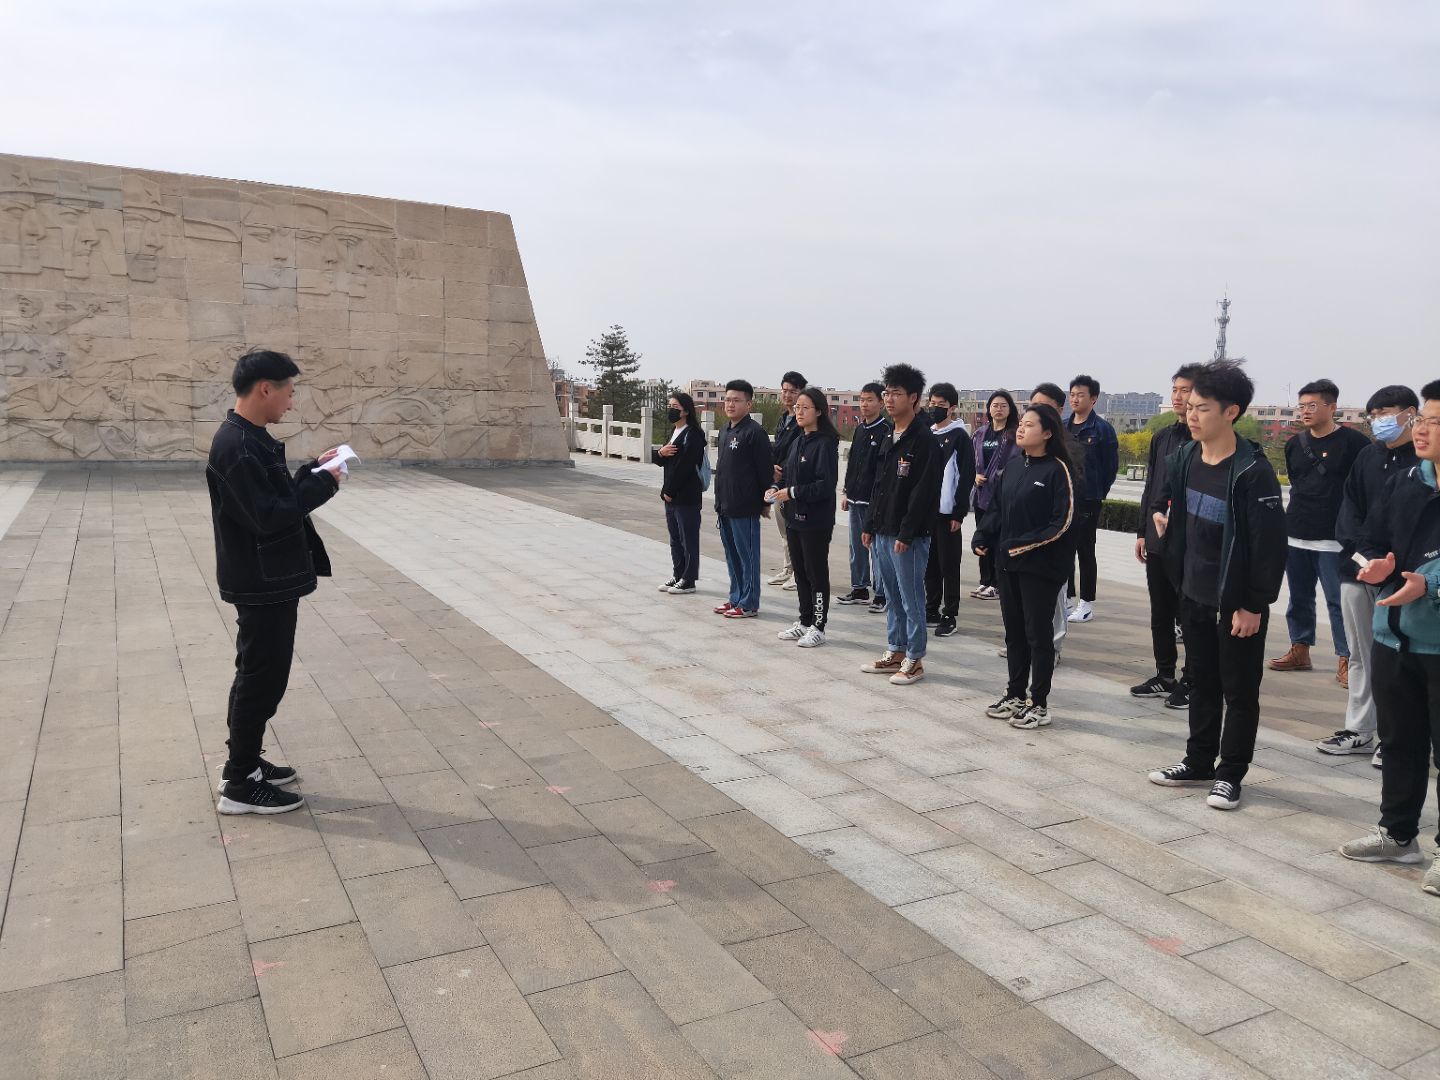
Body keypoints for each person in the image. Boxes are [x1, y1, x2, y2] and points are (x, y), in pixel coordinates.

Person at [207, 348, 343, 815]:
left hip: (266, 577)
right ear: (266, 388)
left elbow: (271, 497)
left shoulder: (249, 438)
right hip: (262, 581)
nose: (291, 400)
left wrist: (312, 471)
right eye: (289, 391)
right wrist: (323, 486)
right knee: (262, 679)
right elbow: (268, 516)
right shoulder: (237, 446)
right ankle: (240, 784)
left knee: (257, 673)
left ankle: (243, 763)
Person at [1147, 359, 1287, 811]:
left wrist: (1253, 604)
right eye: (1189, 406)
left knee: (1239, 692)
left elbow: (1268, 547)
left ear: (1231, 412)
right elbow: (1176, 513)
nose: (1191, 415)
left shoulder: (1252, 471)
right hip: (1193, 593)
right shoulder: (1186, 458)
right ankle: (1198, 761)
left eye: (1202, 408)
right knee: (1202, 682)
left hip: (1236, 602)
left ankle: (1230, 775)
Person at [1340, 379, 1440, 898]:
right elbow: (1371, 537)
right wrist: (1375, 563)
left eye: (1434, 422)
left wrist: (1431, 584)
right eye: (1421, 419)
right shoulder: (1406, 482)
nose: (1421, 430)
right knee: (1400, 741)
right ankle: (1398, 834)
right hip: (1394, 636)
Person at [1318, 386, 1418, 762]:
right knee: (1361, 654)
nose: (1378, 421)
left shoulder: (1424, 462)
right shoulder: (1367, 457)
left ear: (1410, 413)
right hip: (1357, 570)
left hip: (1403, 576)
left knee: (1401, 657)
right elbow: (1349, 513)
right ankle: (1359, 728)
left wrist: (1390, 564)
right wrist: (1366, 559)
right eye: (1373, 415)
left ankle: (1398, 736)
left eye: (1385, 413)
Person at [974, 403, 1077, 729]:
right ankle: (1015, 694)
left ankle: (1039, 703)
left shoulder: (1058, 471)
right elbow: (997, 508)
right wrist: (983, 534)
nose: (1021, 428)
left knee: (1038, 636)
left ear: (1047, 433)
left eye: (1029, 425)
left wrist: (1021, 545)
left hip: (1040, 568)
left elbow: (1062, 523)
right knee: (1014, 634)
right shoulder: (1014, 466)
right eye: (1021, 423)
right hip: (1009, 565)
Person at [1271, 379, 1372, 684]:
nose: (1305, 411)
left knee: (1338, 602)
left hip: (1335, 538)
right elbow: (1297, 482)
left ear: (1332, 407)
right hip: (1296, 531)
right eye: (1301, 406)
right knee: (1299, 597)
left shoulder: (1356, 444)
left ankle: (1347, 658)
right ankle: (1300, 648)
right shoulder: (1295, 444)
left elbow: (1363, 488)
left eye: (1312, 405)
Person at [861, 363, 942, 685]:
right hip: (883, 529)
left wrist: (907, 533)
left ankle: (915, 658)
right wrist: (870, 523)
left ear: (914, 398)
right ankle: (895, 650)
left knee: (911, 599)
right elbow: (879, 484)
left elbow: (924, 492)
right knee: (892, 596)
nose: (889, 399)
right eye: (886, 393)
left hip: (908, 535)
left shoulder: (923, 440)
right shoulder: (888, 435)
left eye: (896, 394)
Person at [1131, 363, 1203, 708]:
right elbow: (1151, 487)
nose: (1178, 396)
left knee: (1189, 614)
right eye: (1175, 389)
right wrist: (1143, 531)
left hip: (1192, 544)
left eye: (1185, 390)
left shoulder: (1204, 439)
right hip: (1159, 539)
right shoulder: (1162, 437)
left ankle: (1192, 679)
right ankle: (1165, 674)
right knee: (1160, 611)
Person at [771, 387, 841, 647]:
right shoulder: (797, 440)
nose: (799, 412)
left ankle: (818, 626)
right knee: (800, 572)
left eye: (805, 408)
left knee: (816, 573)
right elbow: (788, 475)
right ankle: (804, 621)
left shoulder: (825, 444)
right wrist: (776, 487)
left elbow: (825, 485)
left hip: (815, 520)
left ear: (819, 411)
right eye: (797, 407)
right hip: (793, 517)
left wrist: (792, 492)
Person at [1027, 383, 1085, 662]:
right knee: (1028, 597)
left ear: (1059, 410)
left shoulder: (1069, 446)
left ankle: (1053, 647)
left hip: (1055, 534)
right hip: (1027, 534)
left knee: (1055, 596)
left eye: (1044, 406)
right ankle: (1027, 643)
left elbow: (1074, 492)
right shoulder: (1027, 444)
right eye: (1033, 405)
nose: (1036, 411)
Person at [713, 379, 773, 619]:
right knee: (732, 556)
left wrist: (765, 503)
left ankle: (749, 603)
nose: (730, 404)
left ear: (749, 404)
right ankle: (736, 596)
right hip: (725, 504)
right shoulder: (725, 430)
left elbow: (765, 471)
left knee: (748, 557)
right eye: (727, 399)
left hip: (745, 507)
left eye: (736, 400)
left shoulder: (754, 433)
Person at [1065, 375, 1119, 623]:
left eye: (1081, 395)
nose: (1075, 399)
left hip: (1088, 499)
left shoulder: (1102, 429)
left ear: (1094, 399)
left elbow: (1110, 467)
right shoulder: (1064, 428)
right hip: (1064, 498)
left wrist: (1098, 493)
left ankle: (1086, 603)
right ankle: (1067, 598)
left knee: (1085, 550)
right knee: (1064, 548)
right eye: (1072, 394)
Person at [924, 383, 975, 639]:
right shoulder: (928, 433)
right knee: (930, 564)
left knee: (949, 565)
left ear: (952, 408)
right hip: (927, 513)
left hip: (948, 514)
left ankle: (950, 614)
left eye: (940, 405)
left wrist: (958, 512)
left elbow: (966, 476)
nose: (934, 408)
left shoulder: (959, 437)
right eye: (932, 404)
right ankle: (931, 608)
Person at [838, 382, 890, 610]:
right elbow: (852, 464)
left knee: (877, 549)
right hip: (855, 498)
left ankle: (881, 594)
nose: (865, 404)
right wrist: (846, 492)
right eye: (862, 400)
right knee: (856, 546)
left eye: (870, 400)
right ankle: (859, 588)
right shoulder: (859, 430)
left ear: (881, 403)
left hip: (874, 501)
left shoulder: (886, 430)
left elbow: (883, 470)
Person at [653, 391, 706, 595]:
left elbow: (685, 466)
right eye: (670, 406)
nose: (671, 410)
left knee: (688, 539)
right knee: (675, 538)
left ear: (686, 411)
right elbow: (660, 460)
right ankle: (678, 574)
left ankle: (689, 579)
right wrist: (661, 452)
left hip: (686, 496)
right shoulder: (674, 431)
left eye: (675, 407)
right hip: (671, 496)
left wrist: (669, 490)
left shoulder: (693, 434)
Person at [971, 390, 1020, 601]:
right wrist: (974, 476)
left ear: (1010, 409)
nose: (998, 409)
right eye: (995, 405)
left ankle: (997, 584)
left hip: (1002, 498)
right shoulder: (980, 434)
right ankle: (985, 580)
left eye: (1003, 405)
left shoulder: (1014, 436)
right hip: (982, 496)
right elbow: (970, 460)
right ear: (989, 409)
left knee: (999, 541)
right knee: (983, 538)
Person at [768, 372, 807, 589]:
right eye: (785, 391)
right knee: (784, 530)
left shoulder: (802, 422)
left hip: (794, 482)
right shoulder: (784, 418)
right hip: (779, 482)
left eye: (793, 391)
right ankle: (788, 568)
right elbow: (778, 449)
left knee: (796, 531)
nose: (788, 395)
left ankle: (800, 573)